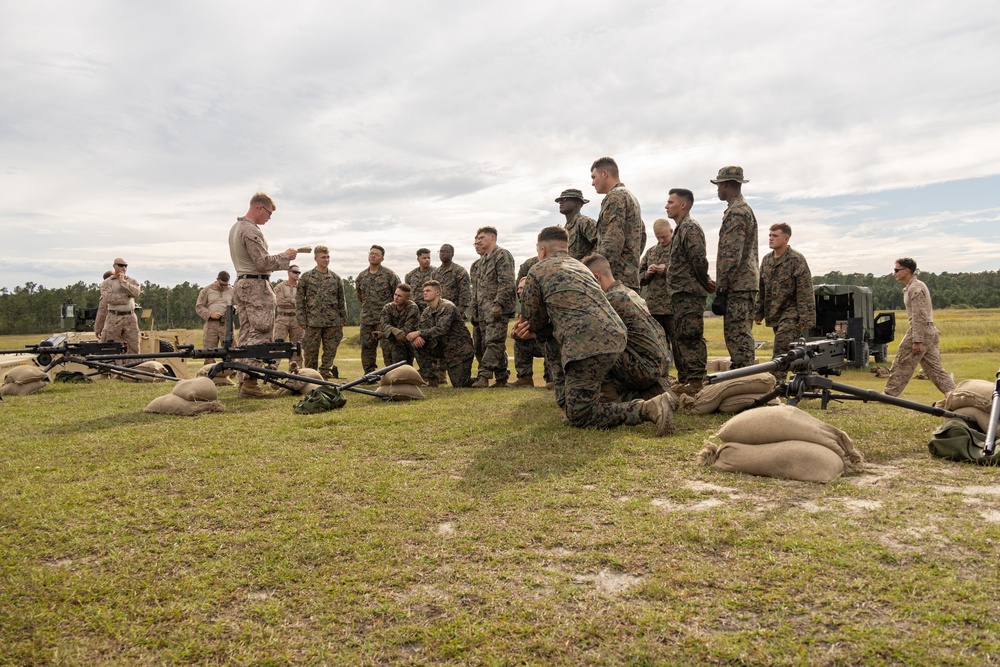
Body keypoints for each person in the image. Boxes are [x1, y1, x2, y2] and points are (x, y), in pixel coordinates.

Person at [512, 226, 674, 435]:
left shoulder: (538, 269)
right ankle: (584, 400)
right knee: (556, 343)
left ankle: (647, 408)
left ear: (542, 250)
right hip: (615, 339)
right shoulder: (581, 269)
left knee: (580, 415)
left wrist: (530, 329)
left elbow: (534, 319)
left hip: (586, 344)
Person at [228, 191, 296, 398]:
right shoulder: (249, 230)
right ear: (259, 207)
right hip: (256, 285)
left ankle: (245, 381)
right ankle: (250, 383)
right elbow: (263, 262)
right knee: (262, 332)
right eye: (268, 213)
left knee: (247, 334)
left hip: (243, 283)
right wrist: (287, 256)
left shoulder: (236, 227)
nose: (269, 218)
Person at [582, 254, 669, 401]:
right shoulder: (628, 292)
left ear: (596, 278)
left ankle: (608, 399)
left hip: (644, 370)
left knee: (591, 341)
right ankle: (649, 391)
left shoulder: (610, 300)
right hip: (659, 365)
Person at [664, 188, 713, 396]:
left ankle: (697, 381)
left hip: (689, 293)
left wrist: (706, 281)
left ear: (683, 205)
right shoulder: (681, 228)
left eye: (670, 202)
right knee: (683, 337)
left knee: (691, 336)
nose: (666, 206)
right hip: (680, 294)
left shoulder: (690, 228)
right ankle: (688, 380)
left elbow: (698, 260)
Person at [884, 258, 956, 398]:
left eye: (896, 270)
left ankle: (887, 396)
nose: (894, 273)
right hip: (928, 330)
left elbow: (920, 315)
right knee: (934, 369)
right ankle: (955, 395)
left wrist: (917, 340)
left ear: (906, 271)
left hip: (920, 330)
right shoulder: (913, 286)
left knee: (901, 363)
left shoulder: (915, 288)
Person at [712, 165, 759, 369]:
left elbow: (731, 255)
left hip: (738, 286)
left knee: (738, 337)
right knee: (740, 335)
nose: (717, 190)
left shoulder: (737, 212)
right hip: (743, 284)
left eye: (718, 185)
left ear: (726, 184)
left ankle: (745, 381)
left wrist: (722, 288)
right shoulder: (741, 209)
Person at [755, 223, 816, 376]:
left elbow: (805, 290)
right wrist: (758, 312)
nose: (770, 238)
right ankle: (805, 377)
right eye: (769, 235)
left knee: (781, 346)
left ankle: (775, 384)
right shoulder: (766, 261)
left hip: (792, 312)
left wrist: (805, 317)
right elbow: (761, 288)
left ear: (786, 239)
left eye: (775, 236)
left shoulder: (796, 259)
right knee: (792, 349)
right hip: (775, 312)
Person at [469, 226, 516, 388]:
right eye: (476, 240)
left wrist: (499, 304)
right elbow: (476, 290)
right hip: (482, 312)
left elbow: (507, 282)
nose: (478, 242)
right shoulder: (479, 263)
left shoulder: (502, 255)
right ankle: (502, 378)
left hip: (497, 309)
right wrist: (474, 310)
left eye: (481, 238)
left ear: (492, 237)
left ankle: (483, 376)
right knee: (482, 345)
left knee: (493, 342)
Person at [590, 157, 645, 291]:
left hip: (614, 282)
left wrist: (595, 275)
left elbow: (612, 242)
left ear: (604, 174)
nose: (592, 183)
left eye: (593, 177)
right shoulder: (630, 197)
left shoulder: (615, 197)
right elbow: (642, 237)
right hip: (629, 279)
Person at [407, 280, 475, 388]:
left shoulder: (447, 307)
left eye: (428, 290)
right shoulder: (426, 312)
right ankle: (430, 378)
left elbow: (441, 329)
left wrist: (419, 333)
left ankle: (479, 379)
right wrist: (418, 336)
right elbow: (423, 330)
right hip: (442, 348)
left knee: (460, 384)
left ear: (437, 293)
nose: (424, 293)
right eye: (424, 291)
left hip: (459, 350)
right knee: (416, 343)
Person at [297, 246, 347, 379]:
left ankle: (325, 374)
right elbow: (300, 300)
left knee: (330, 350)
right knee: (310, 351)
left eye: (328, 257)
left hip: (333, 321)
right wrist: (301, 319)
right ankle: (309, 376)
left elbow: (341, 300)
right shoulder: (306, 277)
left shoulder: (335, 278)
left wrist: (343, 318)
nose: (326, 260)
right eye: (323, 257)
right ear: (315, 259)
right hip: (313, 321)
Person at [356, 245, 400, 376]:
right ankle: (370, 374)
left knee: (388, 348)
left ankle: (392, 374)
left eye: (376, 254)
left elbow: (398, 296)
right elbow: (360, 296)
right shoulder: (362, 276)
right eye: (371, 253)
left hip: (385, 319)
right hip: (367, 318)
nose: (373, 256)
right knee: (367, 347)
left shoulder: (390, 275)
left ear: (382, 258)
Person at [510, 275, 558, 389]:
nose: (518, 291)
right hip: (536, 342)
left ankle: (552, 379)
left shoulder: (545, 303)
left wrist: (532, 335)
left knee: (549, 343)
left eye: (522, 288)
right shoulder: (524, 307)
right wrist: (515, 332)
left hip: (552, 342)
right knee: (519, 342)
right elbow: (522, 325)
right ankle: (524, 378)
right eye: (518, 288)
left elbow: (554, 328)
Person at [639, 217, 673, 345]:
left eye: (664, 236)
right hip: (654, 308)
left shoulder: (678, 250)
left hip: (673, 308)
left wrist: (666, 270)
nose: (661, 240)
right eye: (658, 237)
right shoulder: (651, 252)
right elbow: (638, 277)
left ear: (671, 231)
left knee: (678, 345)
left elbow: (686, 272)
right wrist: (647, 274)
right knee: (657, 344)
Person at [98, 258, 141, 356]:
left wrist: (123, 282)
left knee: (134, 347)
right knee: (111, 347)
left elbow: (136, 293)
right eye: (120, 265)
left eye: (125, 265)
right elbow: (108, 298)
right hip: (114, 317)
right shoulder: (107, 283)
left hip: (130, 317)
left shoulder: (131, 281)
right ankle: (112, 369)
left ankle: (134, 369)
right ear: (114, 266)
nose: (123, 268)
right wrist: (126, 298)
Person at [195, 271, 234, 365]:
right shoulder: (207, 290)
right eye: (221, 284)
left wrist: (232, 310)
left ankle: (231, 371)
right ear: (217, 280)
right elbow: (198, 306)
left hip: (226, 324)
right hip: (211, 324)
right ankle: (210, 373)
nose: (223, 287)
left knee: (231, 351)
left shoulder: (232, 291)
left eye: (226, 284)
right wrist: (209, 314)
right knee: (209, 351)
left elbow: (239, 305)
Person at [378, 284, 420, 367]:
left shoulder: (412, 308)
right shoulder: (388, 307)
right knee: (389, 369)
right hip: (388, 344)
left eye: (399, 296)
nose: (396, 298)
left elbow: (407, 330)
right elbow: (383, 325)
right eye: (395, 294)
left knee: (404, 369)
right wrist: (393, 330)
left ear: (407, 298)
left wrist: (386, 333)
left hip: (406, 343)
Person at [555, 188, 598, 260]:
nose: (561, 203)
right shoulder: (565, 228)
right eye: (560, 201)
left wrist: (587, 263)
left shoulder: (585, 222)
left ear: (577, 204)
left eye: (565, 199)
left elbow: (601, 245)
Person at [272, 266, 303, 367]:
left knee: (297, 346)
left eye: (299, 272)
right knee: (278, 345)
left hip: (297, 319)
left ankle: (295, 372)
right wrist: (295, 302)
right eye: (295, 272)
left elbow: (304, 302)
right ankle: (273, 369)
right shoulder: (280, 286)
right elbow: (279, 302)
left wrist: (289, 301)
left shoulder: (301, 287)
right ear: (288, 273)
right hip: (282, 318)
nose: (297, 274)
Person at [431, 244, 472, 317]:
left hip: (455, 311)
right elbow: (431, 293)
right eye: (441, 251)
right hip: (437, 312)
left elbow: (465, 293)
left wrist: (459, 311)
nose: (442, 253)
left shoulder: (459, 271)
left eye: (446, 251)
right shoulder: (435, 273)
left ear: (452, 254)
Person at [405, 249, 436, 313]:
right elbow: (408, 293)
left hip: (431, 309)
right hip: (415, 310)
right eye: (424, 258)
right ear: (418, 259)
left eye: (428, 258)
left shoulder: (436, 273)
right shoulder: (410, 275)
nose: (427, 260)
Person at [93, 270, 114, 340]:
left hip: (111, 328)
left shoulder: (106, 295)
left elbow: (102, 313)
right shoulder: (121, 291)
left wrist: (98, 329)